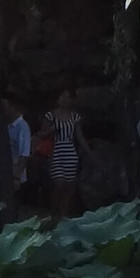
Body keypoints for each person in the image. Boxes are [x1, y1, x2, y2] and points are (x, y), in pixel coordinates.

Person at [46, 88, 84, 218]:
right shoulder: (50, 115)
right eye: (63, 96)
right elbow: (43, 133)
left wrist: (89, 152)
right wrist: (51, 131)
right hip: (55, 150)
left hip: (69, 151)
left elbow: (79, 136)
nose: (65, 99)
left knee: (69, 186)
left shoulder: (75, 117)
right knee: (59, 183)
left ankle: (63, 214)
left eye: (68, 97)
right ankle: (52, 212)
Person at [0, 96, 32, 203]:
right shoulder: (6, 125)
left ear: (13, 107)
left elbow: (24, 153)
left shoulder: (22, 127)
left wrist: (17, 177)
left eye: (5, 106)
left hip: (12, 175)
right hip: (0, 174)